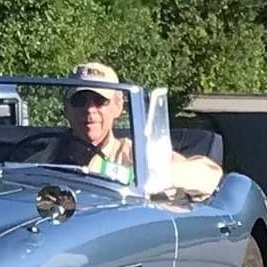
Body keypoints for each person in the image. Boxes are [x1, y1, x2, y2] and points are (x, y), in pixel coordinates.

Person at [50, 62, 223, 197]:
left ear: (118, 106)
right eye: (79, 100)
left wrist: (138, 176)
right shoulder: (43, 154)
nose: (89, 109)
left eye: (100, 100)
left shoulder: (136, 155)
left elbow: (209, 177)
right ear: (66, 108)